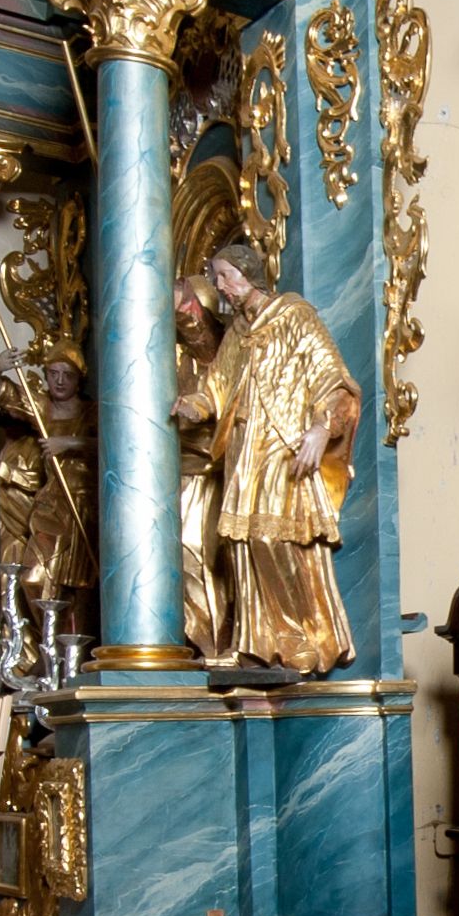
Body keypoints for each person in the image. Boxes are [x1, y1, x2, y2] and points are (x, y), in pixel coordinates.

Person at [173, 241, 360, 673]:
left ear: (249, 273)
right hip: (245, 450)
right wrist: (195, 405)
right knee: (241, 545)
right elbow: (217, 385)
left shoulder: (294, 315)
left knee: (274, 539)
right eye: (216, 278)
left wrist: (322, 428)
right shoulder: (238, 330)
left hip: (284, 444)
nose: (221, 286)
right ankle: (258, 644)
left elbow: (333, 378)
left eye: (225, 276)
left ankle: (301, 637)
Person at [0, 350, 96, 619]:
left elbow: (117, 442)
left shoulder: (92, 412)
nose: (59, 381)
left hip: (85, 504)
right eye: (53, 373)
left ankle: (67, 641)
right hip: (51, 504)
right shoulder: (41, 406)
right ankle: (47, 637)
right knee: (33, 578)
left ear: (79, 380)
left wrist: (69, 443)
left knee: (79, 589)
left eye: (68, 375)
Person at [173, 281, 226, 663]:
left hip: (217, 472)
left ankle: (215, 644)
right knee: (181, 556)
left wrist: (202, 409)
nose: (192, 329)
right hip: (179, 472)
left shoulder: (230, 357)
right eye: (183, 324)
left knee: (208, 557)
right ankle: (199, 642)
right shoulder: (177, 361)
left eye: (196, 320)